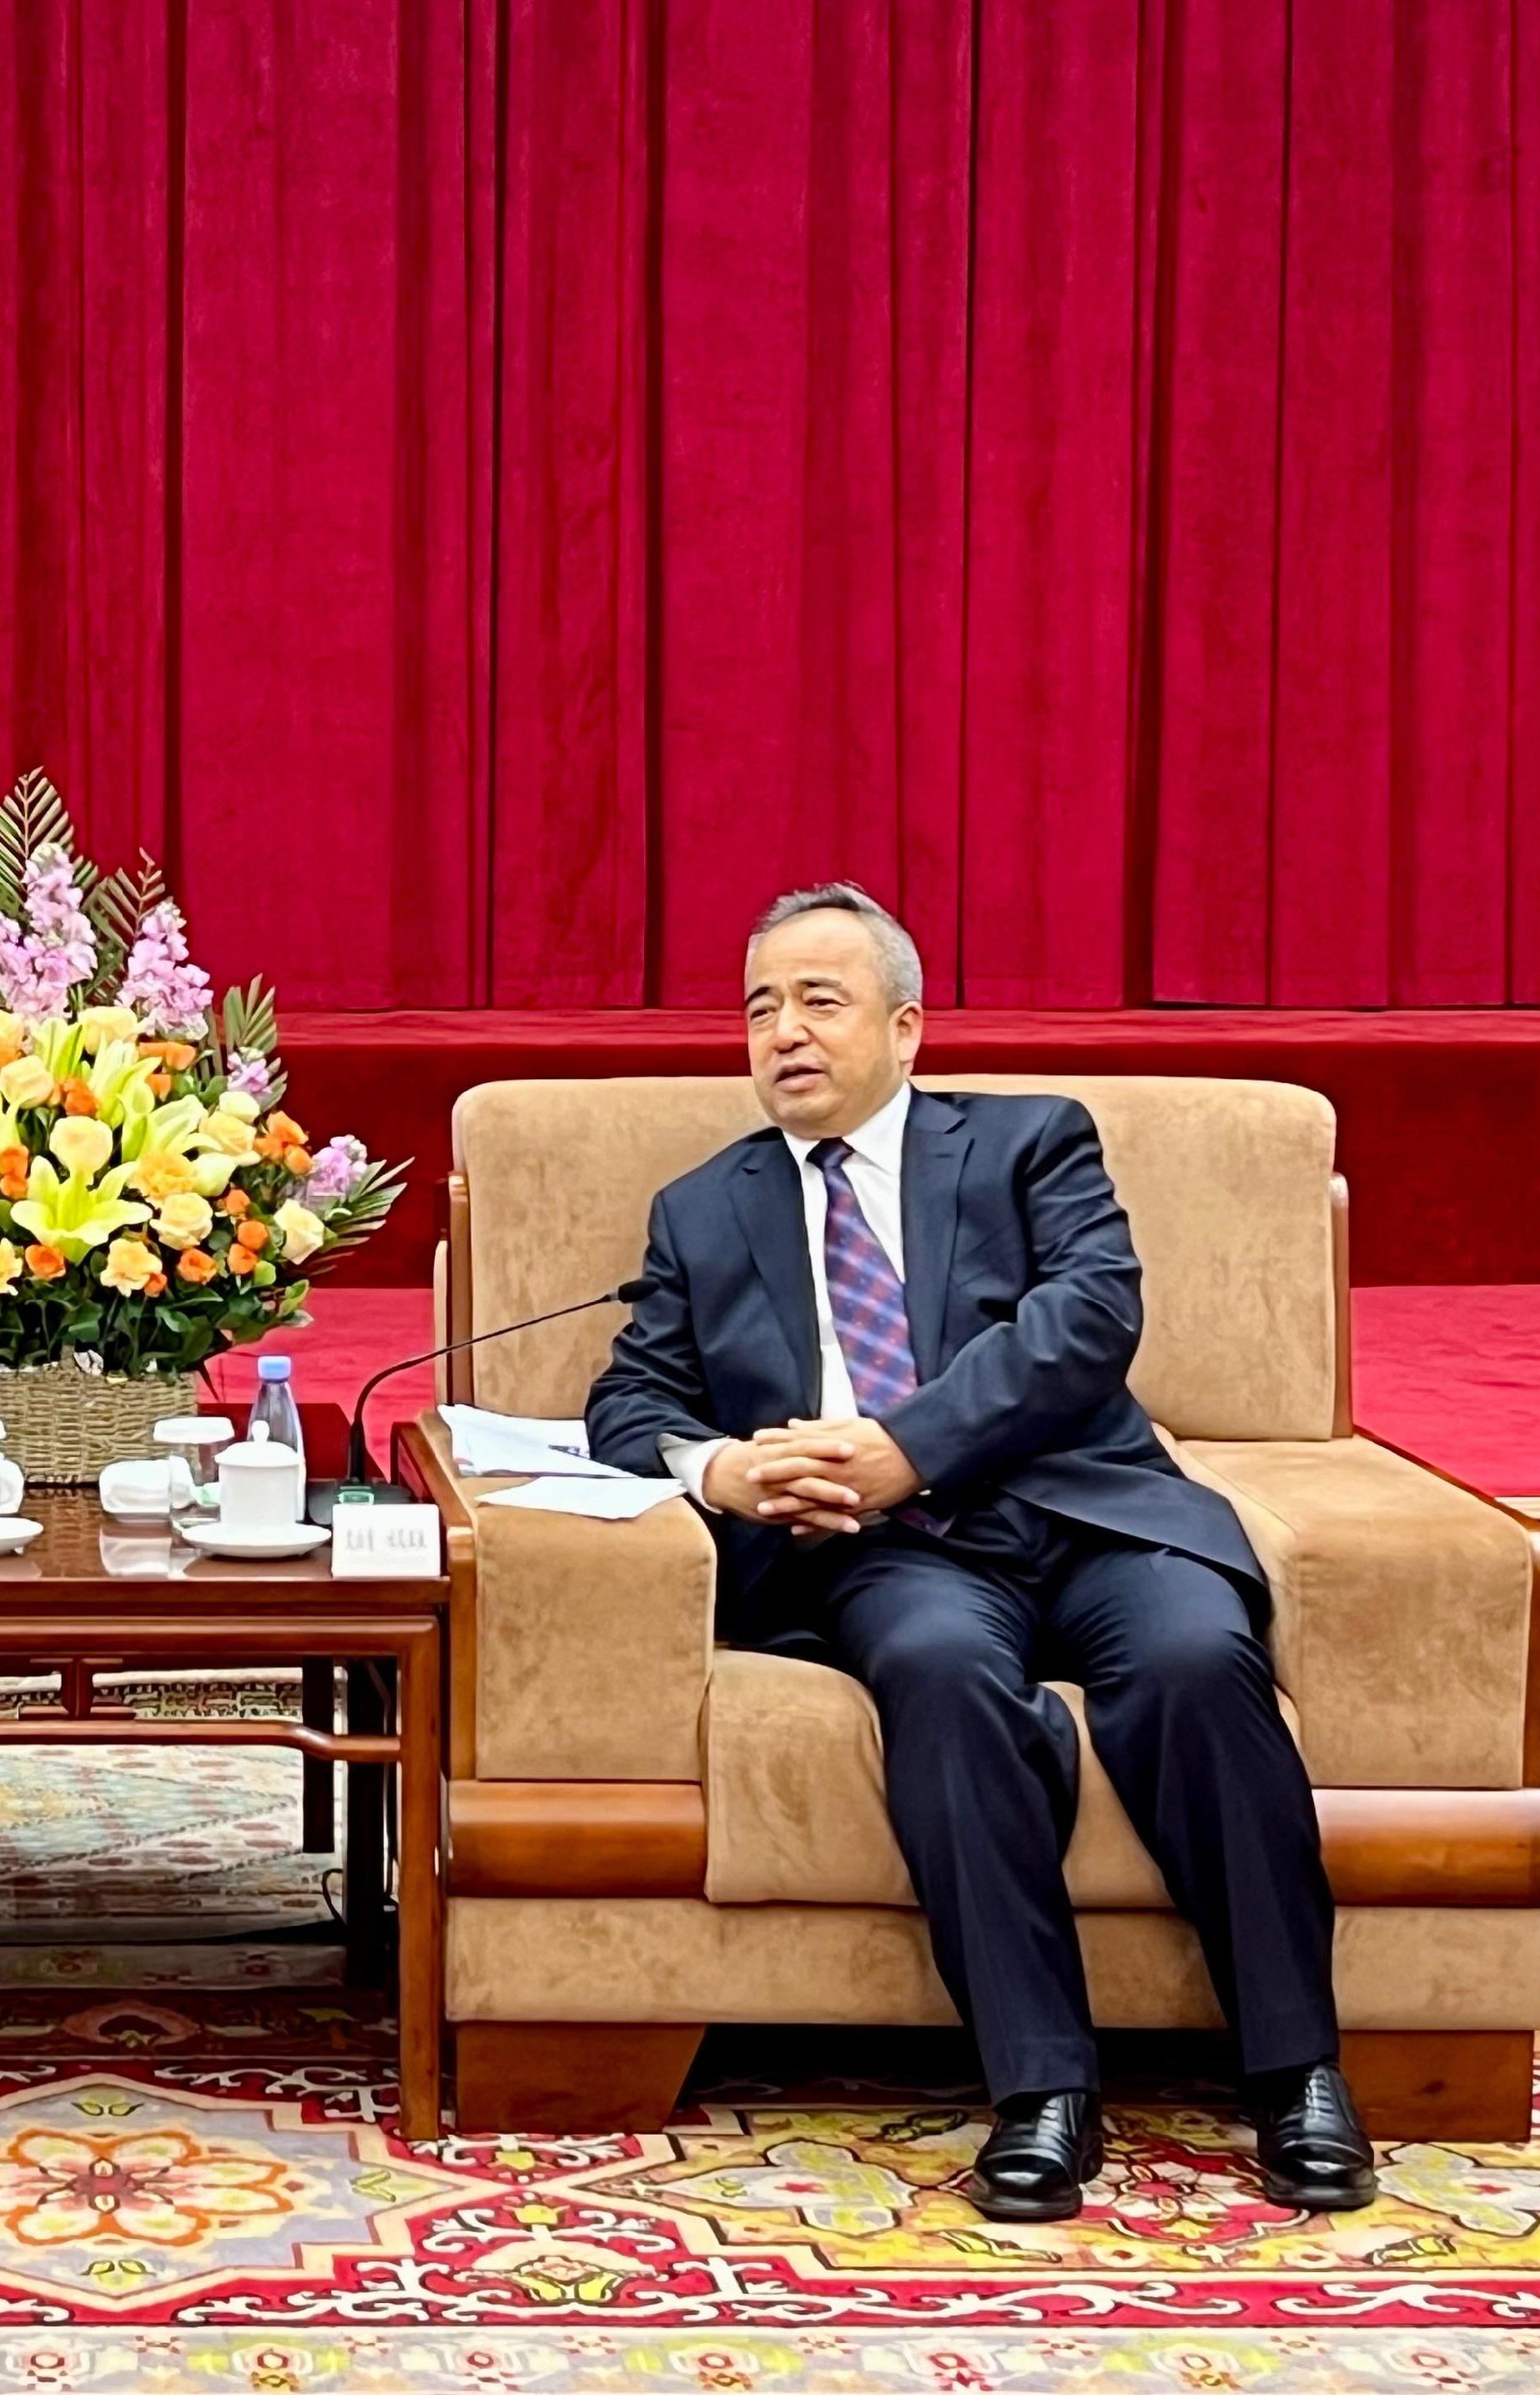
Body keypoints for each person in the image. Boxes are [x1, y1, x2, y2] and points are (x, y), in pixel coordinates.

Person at [586, 883, 1371, 2221]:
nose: (784, 1032)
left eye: (819, 1002)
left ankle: (1298, 2070)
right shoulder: (703, 1209)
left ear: (906, 1028)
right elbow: (630, 1400)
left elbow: (1086, 1321)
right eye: (761, 1006)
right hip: (890, 1555)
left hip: (1089, 1515)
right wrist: (724, 1468)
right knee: (942, 1679)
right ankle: (1044, 2087)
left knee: (1193, 1661)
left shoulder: (1025, 1144)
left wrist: (911, 1440)